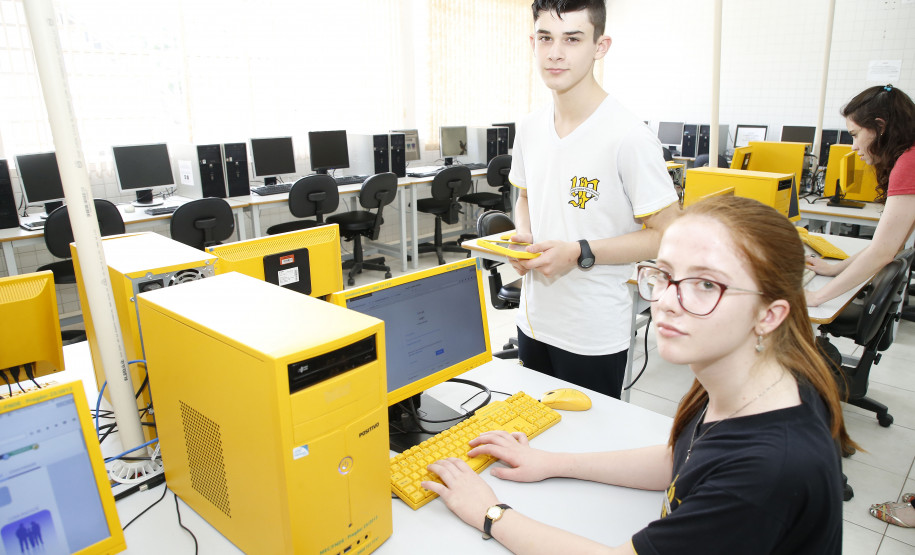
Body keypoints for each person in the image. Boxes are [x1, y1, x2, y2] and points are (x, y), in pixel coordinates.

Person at [423, 196, 852, 554]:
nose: (666, 301)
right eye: (664, 274)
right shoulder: (757, 375)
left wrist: (490, 512)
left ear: (769, 314)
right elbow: (682, 459)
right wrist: (552, 462)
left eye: (706, 284)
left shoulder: (768, 468)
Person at [506, 0, 680, 399]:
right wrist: (524, 235)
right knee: (534, 440)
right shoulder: (530, 128)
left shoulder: (628, 136)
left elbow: (667, 234)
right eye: (546, 38)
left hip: (592, 331)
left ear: (600, 47)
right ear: (533, 42)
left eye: (572, 39)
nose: (555, 53)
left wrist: (578, 251)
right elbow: (527, 197)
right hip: (533, 320)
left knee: (586, 451)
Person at [806, 84, 915, 306]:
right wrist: (834, 268)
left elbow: (883, 252)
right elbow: (892, 245)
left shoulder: (909, 163)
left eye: (855, 135)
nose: (854, 147)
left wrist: (818, 297)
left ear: (880, 126)